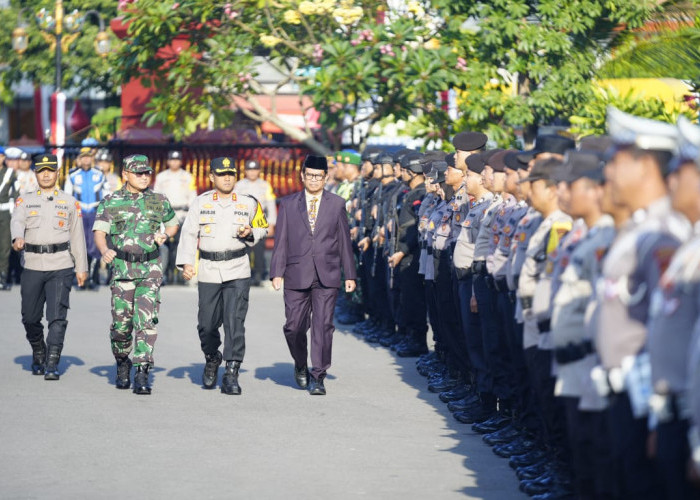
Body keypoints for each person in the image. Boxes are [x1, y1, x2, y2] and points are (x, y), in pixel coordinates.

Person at [176, 157, 268, 395]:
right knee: (206, 324)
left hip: (237, 267)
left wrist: (251, 232)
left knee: (234, 322)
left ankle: (231, 373)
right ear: (212, 177)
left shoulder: (249, 202)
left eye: (231, 173)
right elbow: (188, 233)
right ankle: (212, 357)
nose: (227, 178)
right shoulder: (201, 202)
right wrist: (187, 262)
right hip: (208, 268)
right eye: (222, 174)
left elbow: (262, 226)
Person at [269, 155, 356, 395]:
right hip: (296, 272)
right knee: (294, 327)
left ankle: (318, 375)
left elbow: (344, 242)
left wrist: (350, 274)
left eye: (319, 176)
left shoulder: (337, 204)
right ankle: (300, 363)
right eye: (310, 175)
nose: (314, 180)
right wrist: (277, 271)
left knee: (323, 325)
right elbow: (281, 240)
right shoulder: (288, 204)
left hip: (327, 275)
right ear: (302, 176)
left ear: (326, 177)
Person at [93, 154, 179, 395]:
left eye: (146, 172)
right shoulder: (111, 201)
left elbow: (173, 223)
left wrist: (166, 234)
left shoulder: (159, 200)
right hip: (122, 270)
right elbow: (100, 231)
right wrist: (104, 249)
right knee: (121, 325)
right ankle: (122, 360)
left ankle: (142, 371)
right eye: (138, 173)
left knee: (146, 322)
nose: (144, 177)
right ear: (125, 174)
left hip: (150, 270)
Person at [10, 154, 88, 380]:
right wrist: (17, 238)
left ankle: (52, 361)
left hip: (61, 264)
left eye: (50, 170)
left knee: (57, 316)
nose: (46, 174)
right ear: (35, 173)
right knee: (30, 317)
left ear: (57, 173)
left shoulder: (69, 202)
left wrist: (81, 267)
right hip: (33, 264)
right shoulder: (24, 200)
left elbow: (77, 236)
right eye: (41, 170)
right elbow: (17, 222)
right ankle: (38, 350)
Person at [65, 147, 110, 289]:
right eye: (83, 157)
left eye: (88, 157)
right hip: (79, 214)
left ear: (92, 158)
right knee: (79, 245)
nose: (86, 160)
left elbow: (107, 193)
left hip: (95, 213)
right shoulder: (72, 175)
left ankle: (91, 277)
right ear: (79, 159)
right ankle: (80, 279)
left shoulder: (99, 174)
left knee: (95, 245)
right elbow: (67, 197)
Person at [153, 150, 196, 285]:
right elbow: (156, 196)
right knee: (164, 244)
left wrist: (191, 214)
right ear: (168, 161)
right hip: (166, 215)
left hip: (182, 213)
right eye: (172, 159)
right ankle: (164, 274)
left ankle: (180, 275)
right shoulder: (161, 177)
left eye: (177, 160)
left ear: (181, 161)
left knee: (180, 245)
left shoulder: (188, 177)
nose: (174, 162)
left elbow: (192, 196)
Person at [233, 159, 277, 286]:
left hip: (258, 222)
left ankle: (259, 274)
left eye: (255, 170)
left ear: (258, 171)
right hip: (243, 221)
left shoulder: (265, 185)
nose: (252, 172)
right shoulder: (239, 185)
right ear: (245, 171)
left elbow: (271, 205)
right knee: (243, 249)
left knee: (259, 249)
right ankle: (244, 275)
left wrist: (271, 223)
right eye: (249, 170)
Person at [0, 147, 17, 290]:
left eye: (0, 156)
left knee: (5, 246)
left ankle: (3, 277)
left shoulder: (10, 173)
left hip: (5, 213)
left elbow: (14, 195)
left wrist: (13, 216)